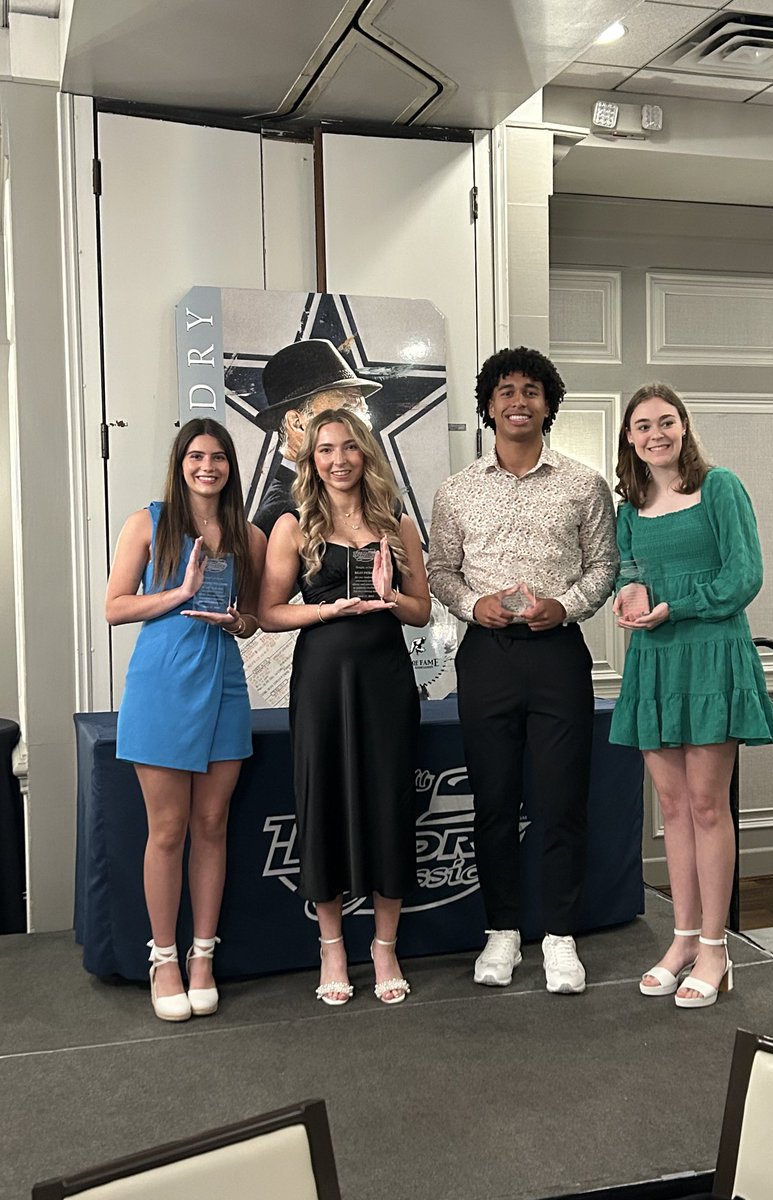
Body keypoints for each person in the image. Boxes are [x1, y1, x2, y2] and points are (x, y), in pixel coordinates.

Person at [428, 347, 617, 995]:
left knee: (562, 799)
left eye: (531, 391)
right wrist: (469, 603)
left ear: (548, 404)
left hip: (558, 652)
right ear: (487, 405)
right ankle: (502, 932)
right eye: (505, 390)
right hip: (486, 656)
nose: (518, 400)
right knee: (493, 801)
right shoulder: (455, 491)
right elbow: (439, 571)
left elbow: (604, 568)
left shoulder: (584, 485)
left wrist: (564, 605)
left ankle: (560, 937)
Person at [610, 383, 773, 1009]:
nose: (656, 433)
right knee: (673, 809)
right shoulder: (627, 506)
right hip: (653, 660)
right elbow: (628, 571)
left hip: (711, 654)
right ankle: (682, 941)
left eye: (667, 422)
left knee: (708, 806)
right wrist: (630, 598)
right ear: (628, 437)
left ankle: (716, 948)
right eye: (643, 425)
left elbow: (745, 576)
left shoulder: (721, 487)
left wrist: (674, 607)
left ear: (684, 427)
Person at [258, 408, 430, 1006]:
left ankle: (384, 946)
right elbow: (268, 614)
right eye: (326, 448)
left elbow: (422, 612)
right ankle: (332, 945)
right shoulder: (293, 526)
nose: (339, 459)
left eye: (350, 447)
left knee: (389, 801)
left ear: (366, 455)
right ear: (312, 459)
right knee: (322, 800)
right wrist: (329, 609)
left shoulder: (396, 523)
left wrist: (390, 596)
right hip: (323, 682)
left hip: (385, 679)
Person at [106, 418, 266, 1021]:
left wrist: (238, 623)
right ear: (180, 463)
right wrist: (181, 592)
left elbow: (252, 619)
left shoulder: (248, 536)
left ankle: (203, 955)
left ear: (231, 465)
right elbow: (114, 607)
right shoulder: (147, 522)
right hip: (163, 681)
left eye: (219, 456)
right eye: (197, 456)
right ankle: (164, 957)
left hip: (224, 679)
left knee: (213, 823)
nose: (208, 466)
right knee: (168, 831)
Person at [251, 339, 380, 537]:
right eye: (345, 411)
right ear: (296, 422)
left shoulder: (359, 494)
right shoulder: (281, 511)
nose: (365, 427)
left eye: (362, 411)